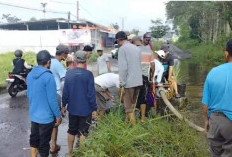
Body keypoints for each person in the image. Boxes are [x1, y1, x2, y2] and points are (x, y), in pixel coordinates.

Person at [62, 50, 97, 157]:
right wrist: (94, 108)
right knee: (83, 132)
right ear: (85, 60)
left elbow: (65, 91)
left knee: (71, 130)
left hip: (72, 108)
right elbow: (91, 94)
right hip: (85, 109)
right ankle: (82, 153)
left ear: (75, 60)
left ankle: (70, 153)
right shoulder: (89, 74)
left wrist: (64, 105)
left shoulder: (69, 73)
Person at [27, 50, 62, 157]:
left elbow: (29, 94)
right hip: (46, 118)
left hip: (34, 116)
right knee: (44, 145)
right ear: (48, 62)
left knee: (34, 140)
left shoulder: (30, 74)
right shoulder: (48, 76)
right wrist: (58, 115)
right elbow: (52, 99)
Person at [202, 39, 232, 157]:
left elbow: (205, 104)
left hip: (215, 120)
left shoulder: (213, 72)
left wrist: (206, 120)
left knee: (216, 152)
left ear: (226, 53)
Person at [116, 31, 143, 125]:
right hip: (138, 81)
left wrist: (122, 83)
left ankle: (135, 130)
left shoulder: (122, 49)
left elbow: (123, 68)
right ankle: (126, 125)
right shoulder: (136, 48)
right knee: (133, 105)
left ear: (119, 40)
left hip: (129, 82)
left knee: (128, 108)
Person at [50, 44, 69, 154]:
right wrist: (64, 103)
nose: (66, 56)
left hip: (47, 94)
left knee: (47, 121)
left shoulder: (49, 62)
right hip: (56, 94)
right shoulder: (58, 65)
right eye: (66, 54)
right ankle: (53, 145)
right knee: (55, 122)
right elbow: (65, 82)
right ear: (62, 54)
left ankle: (44, 145)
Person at [133, 35, 155, 123]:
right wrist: (152, 77)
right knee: (143, 98)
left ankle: (133, 118)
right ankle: (142, 118)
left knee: (134, 97)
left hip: (134, 77)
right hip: (144, 77)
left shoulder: (135, 50)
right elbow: (153, 65)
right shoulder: (149, 51)